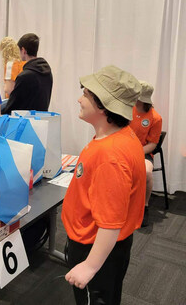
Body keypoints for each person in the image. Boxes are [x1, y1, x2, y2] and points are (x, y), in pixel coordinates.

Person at [61, 65, 146, 305]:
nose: (79, 99)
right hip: (100, 245)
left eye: (86, 94)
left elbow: (110, 223)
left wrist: (90, 265)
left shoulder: (110, 155)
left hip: (95, 248)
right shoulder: (117, 136)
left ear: (102, 105)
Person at [129, 81, 162, 227]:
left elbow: (153, 145)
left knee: (147, 173)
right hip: (123, 148)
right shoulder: (127, 109)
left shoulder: (155, 118)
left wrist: (136, 152)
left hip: (143, 152)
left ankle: (144, 206)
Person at [2, 33, 53, 114]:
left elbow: (12, 106)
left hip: (26, 122)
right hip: (42, 119)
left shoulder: (24, 76)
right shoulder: (48, 72)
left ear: (23, 50)